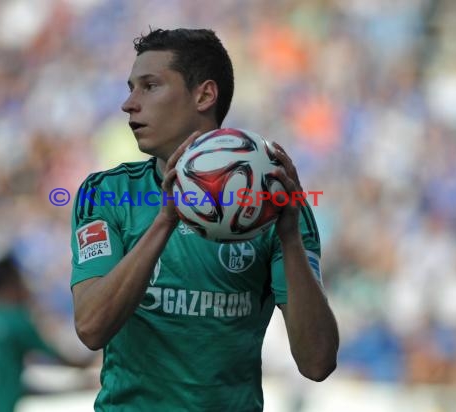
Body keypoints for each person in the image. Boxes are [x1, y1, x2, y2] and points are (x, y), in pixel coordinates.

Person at [71, 28, 339, 411]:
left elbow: (317, 363)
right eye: (131, 87)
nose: (128, 103)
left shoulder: (273, 204)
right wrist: (165, 219)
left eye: (149, 86)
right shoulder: (107, 194)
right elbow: (92, 328)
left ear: (204, 95)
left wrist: (291, 241)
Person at [0, 254, 90, 412]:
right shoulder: (15, 321)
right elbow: (60, 358)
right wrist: (87, 364)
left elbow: (5, 385)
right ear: (11, 284)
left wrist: (74, 387)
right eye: (21, 279)